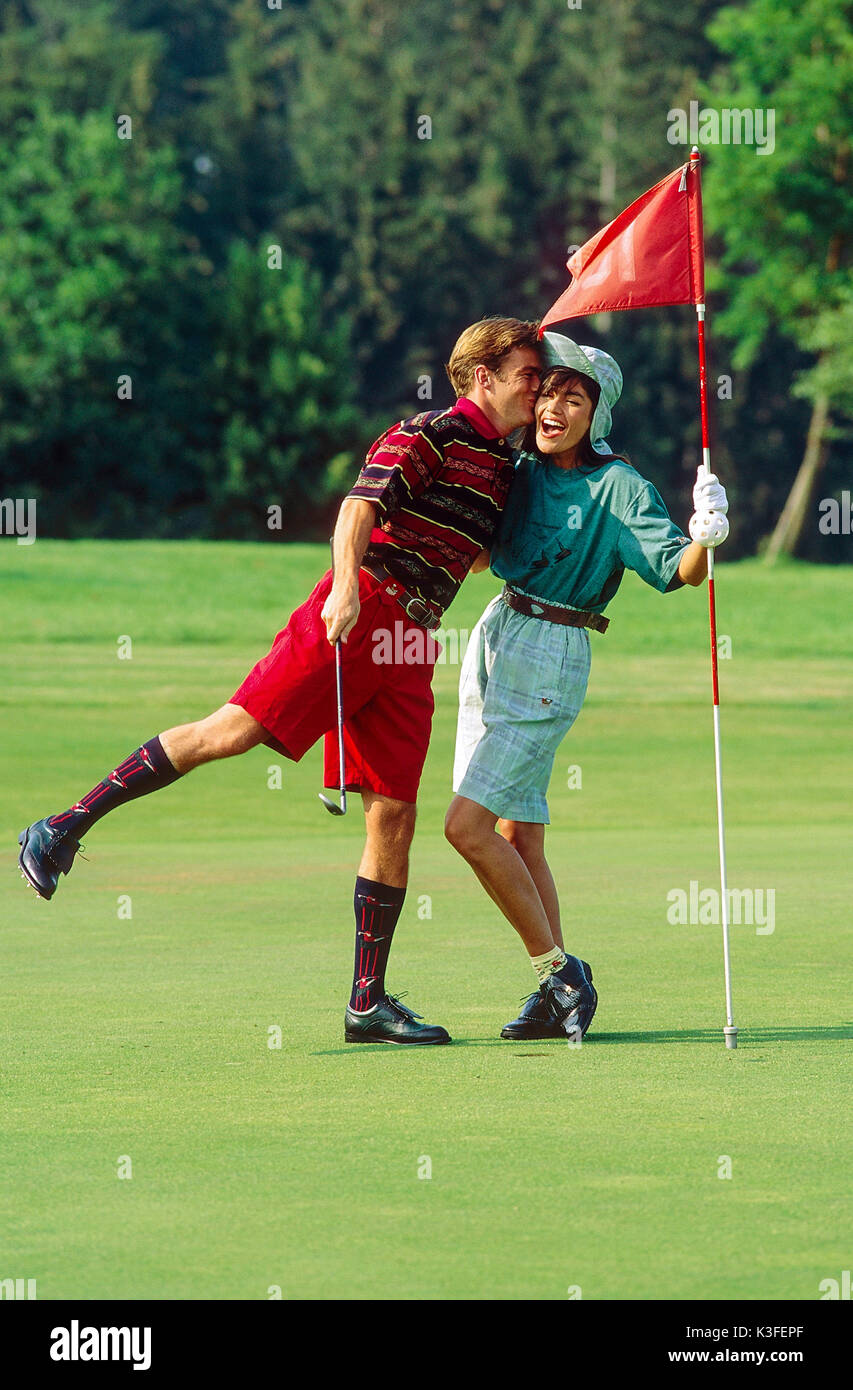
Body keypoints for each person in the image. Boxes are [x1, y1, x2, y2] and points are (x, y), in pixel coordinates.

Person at [18, 316, 542, 1046]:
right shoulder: (426, 433)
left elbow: (477, 559)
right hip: (362, 610)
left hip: (411, 639)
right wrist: (345, 588)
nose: (536, 389)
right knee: (228, 731)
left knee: (393, 815)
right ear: (482, 377)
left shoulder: (503, 466)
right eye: (526, 376)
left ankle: (367, 1005)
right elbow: (357, 507)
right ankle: (60, 829)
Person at [444, 332, 729, 1040]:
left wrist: (705, 534)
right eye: (547, 392)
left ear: (595, 417)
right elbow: (481, 556)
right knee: (519, 833)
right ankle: (552, 991)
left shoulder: (618, 486)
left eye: (572, 397)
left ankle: (562, 974)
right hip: (495, 632)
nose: (552, 406)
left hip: (553, 650)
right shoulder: (517, 467)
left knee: (466, 827)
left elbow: (678, 572)